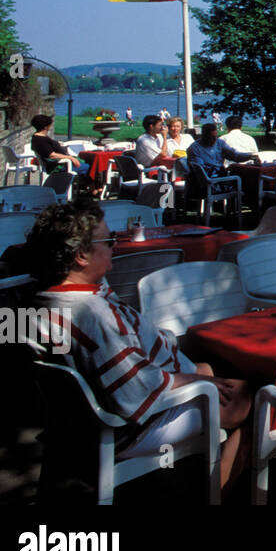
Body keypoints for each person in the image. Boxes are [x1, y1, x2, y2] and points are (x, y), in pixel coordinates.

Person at [29, 202, 251, 493]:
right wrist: (195, 380)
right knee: (255, 399)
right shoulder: (94, 316)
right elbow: (137, 388)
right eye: (108, 240)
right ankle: (214, 491)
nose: (114, 244)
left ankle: (194, 466)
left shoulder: (48, 299)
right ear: (81, 256)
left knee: (208, 369)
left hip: (74, 422)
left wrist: (197, 374)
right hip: (127, 426)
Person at [187, 122, 260, 177]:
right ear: (203, 135)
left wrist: (251, 156)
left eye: (215, 137)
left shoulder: (219, 143)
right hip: (206, 181)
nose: (214, 140)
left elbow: (235, 155)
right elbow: (200, 170)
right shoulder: (194, 148)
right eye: (211, 137)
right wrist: (219, 169)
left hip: (219, 175)